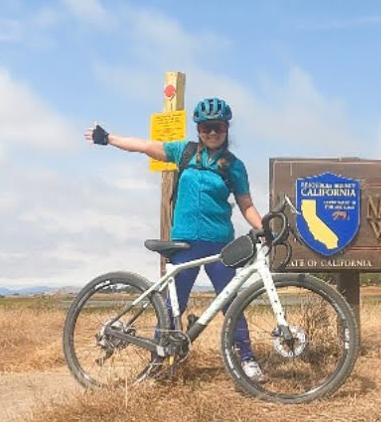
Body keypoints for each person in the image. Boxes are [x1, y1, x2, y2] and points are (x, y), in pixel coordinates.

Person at [85, 97, 267, 381]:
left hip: (220, 244)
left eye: (217, 127)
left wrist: (264, 228)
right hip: (183, 242)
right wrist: (108, 138)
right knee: (172, 307)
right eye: (206, 128)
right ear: (199, 130)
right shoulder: (184, 152)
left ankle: (246, 358)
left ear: (226, 128)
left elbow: (246, 205)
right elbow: (145, 146)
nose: (212, 133)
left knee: (233, 304)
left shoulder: (234, 166)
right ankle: (158, 362)